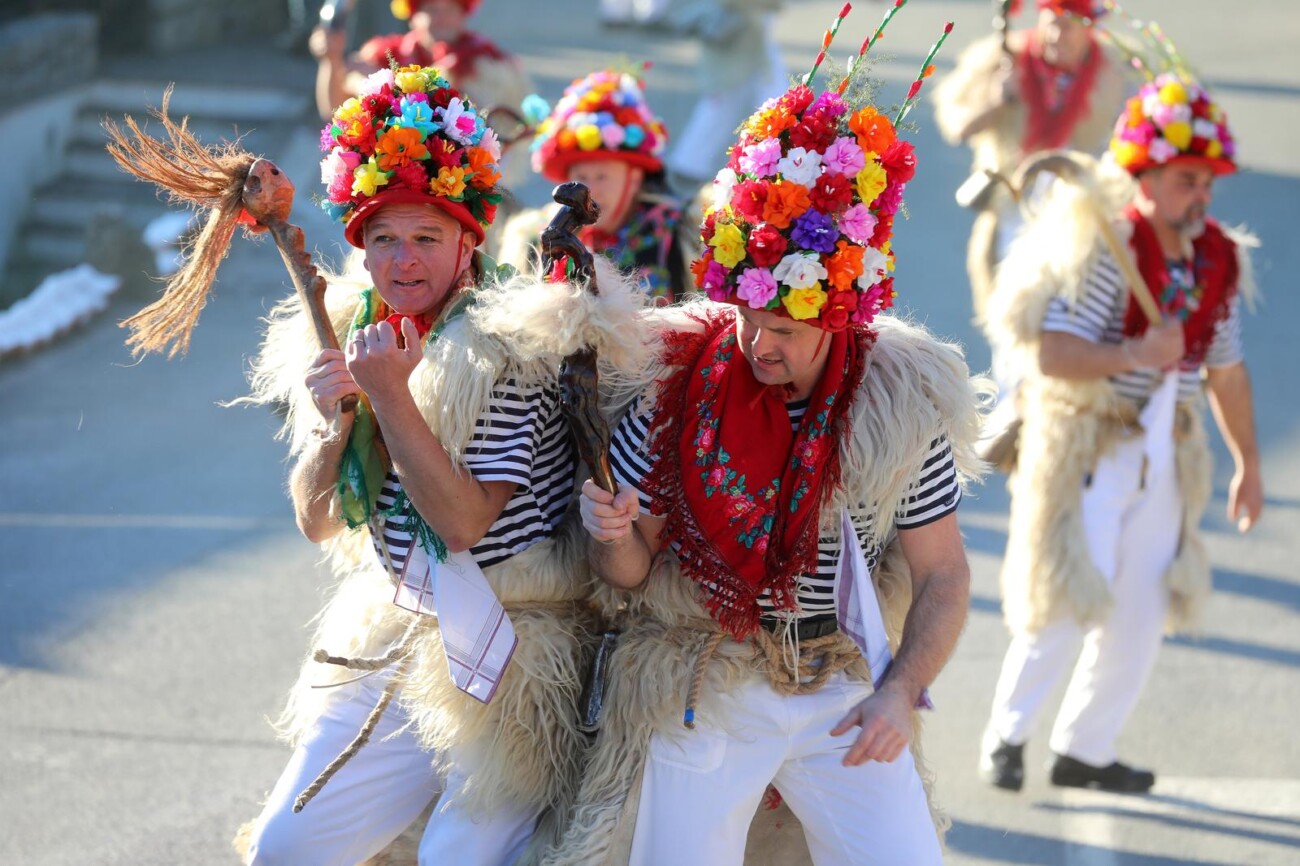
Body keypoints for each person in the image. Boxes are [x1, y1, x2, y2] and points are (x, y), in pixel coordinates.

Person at [541, 56, 988, 865]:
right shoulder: (672, 379)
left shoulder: (898, 399)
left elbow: (946, 575)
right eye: (747, 317)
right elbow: (630, 572)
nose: (757, 343)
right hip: (707, 678)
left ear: (842, 315)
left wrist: (899, 691)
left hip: (841, 678)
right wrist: (611, 530)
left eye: (784, 329)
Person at [237, 64, 627, 865]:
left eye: (426, 238)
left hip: (516, 649)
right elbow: (316, 521)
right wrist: (335, 425)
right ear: (361, 245)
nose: (403, 261)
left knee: (459, 857)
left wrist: (390, 398)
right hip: (399, 623)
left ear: (468, 241)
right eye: (384, 238)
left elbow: (462, 521)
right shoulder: (352, 330)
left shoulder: (512, 347)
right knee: (286, 850)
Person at [977, 72, 1263, 794]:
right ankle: (1007, 735)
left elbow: (1225, 371)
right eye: (1185, 180)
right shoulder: (1110, 249)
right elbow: (1050, 355)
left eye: (1207, 182)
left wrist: (1248, 464)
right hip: (1087, 442)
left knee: (1139, 611)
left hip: (1165, 447)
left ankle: (1085, 749)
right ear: (1147, 177)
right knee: (1070, 598)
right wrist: (1134, 354)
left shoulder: (1216, 260)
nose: (1200, 195)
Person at [933, 0, 1126, 318]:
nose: (1054, 35)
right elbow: (957, 126)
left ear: (1087, 30)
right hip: (1013, 204)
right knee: (1010, 313)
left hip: (1080, 209)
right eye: (1049, 22)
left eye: (1066, 26)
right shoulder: (1004, 58)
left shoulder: (1112, 70)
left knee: (1073, 310)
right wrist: (996, 102)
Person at [499, 68, 694, 305]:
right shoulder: (534, 238)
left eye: (602, 176)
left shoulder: (680, 233)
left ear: (633, 180)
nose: (588, 190)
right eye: (581, 176)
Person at [310, 0, 530, 127]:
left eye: (450, 9)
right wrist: (332, 59)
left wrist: (388, 86)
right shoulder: (384, 54)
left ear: (463, 15)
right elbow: (332, 111)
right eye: (432, 10)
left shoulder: (487, 66)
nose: (442, 18)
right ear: (413, 16)